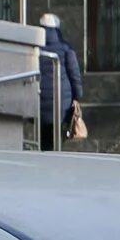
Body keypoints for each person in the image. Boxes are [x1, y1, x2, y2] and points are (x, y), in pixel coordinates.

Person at [39, 14, 87, 146]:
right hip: (62, 102)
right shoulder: (66, 48)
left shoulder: (36, 48)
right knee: (58, 137)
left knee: (43, 137)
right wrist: (78, 95)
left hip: (40, 101)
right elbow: (74, 75)